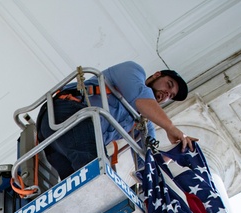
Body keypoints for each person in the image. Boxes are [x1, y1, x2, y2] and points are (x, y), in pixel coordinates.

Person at [36, 61, 197, 178]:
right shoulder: (133, 70)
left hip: (63, 144)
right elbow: (140, 98)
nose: (167, 94)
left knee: (81, 190)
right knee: (101, 175)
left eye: (171, 96)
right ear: (156, 76)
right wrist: (172, 129)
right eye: (168, 85)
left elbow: (147, 165)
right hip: (64, 113)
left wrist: (177, 152)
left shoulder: (142, 123)